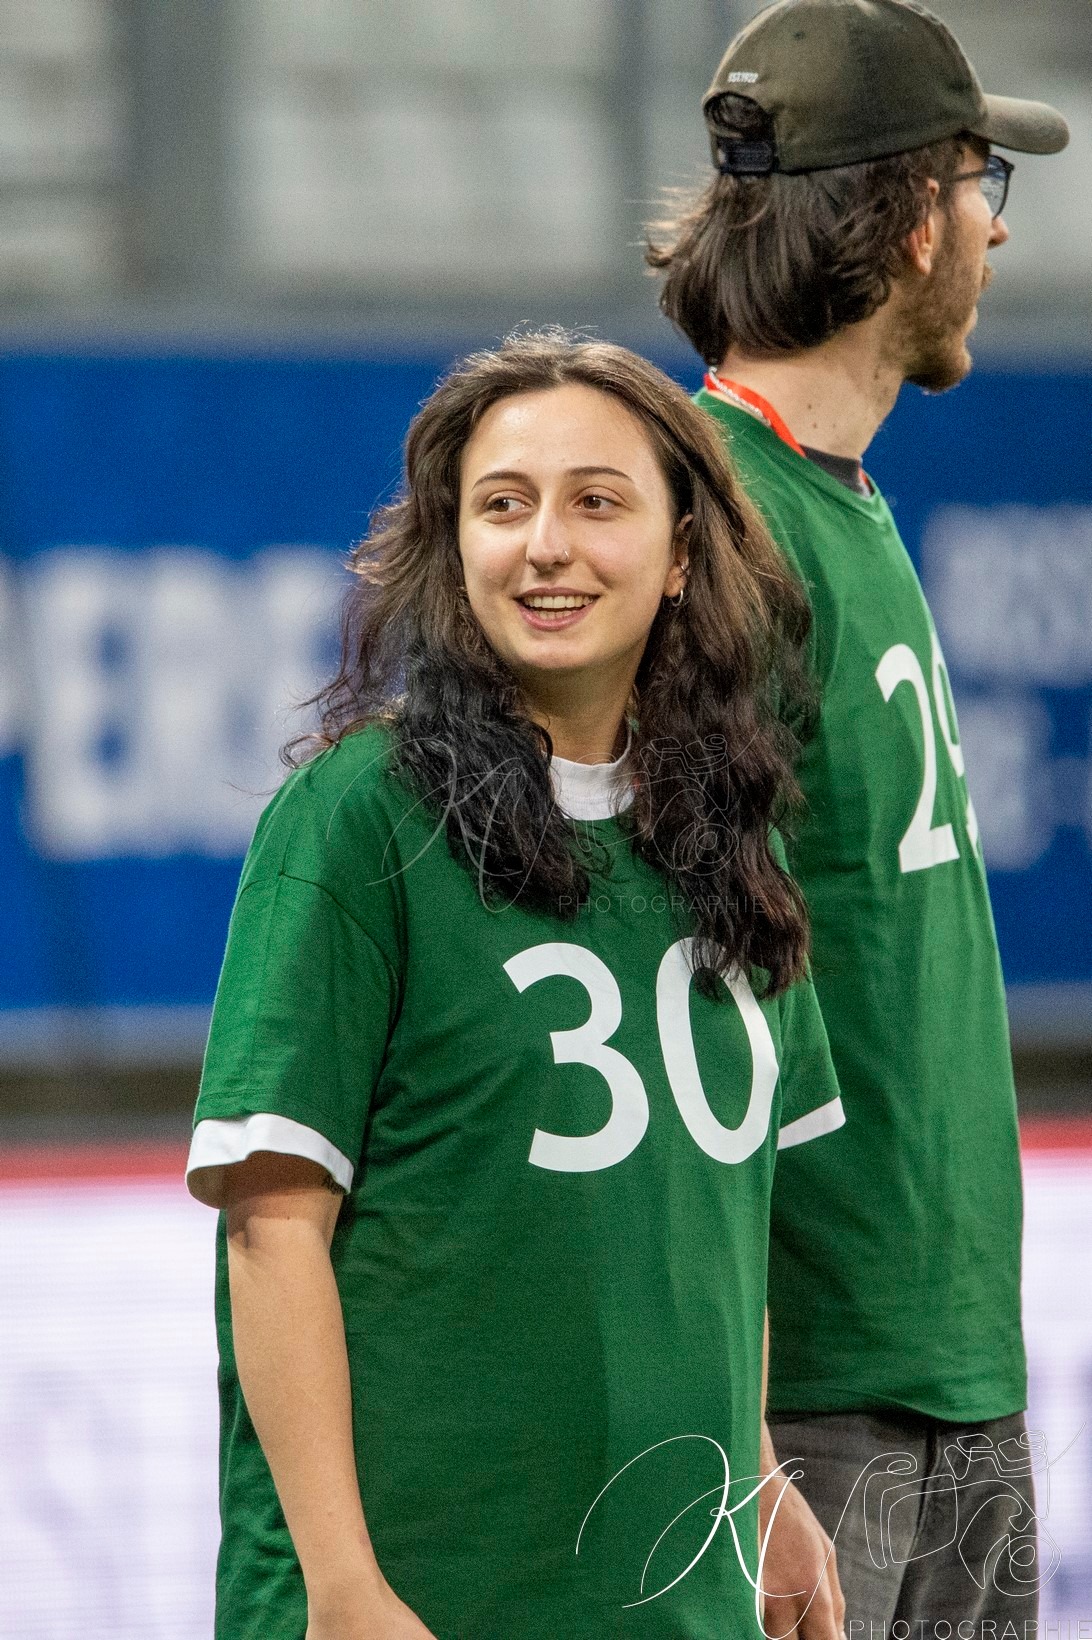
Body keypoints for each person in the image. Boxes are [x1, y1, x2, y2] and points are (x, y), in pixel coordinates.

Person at [185, 331, 847, 1640]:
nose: (545, 544)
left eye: (597, 502)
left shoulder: (733, 838)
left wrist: (760, 1481)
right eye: (503, 505)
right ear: (454, 550)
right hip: (411, 1604)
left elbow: (709, 1220)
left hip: (673, 1601)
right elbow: (271, 1228)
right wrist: (344, 1590)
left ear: (680, 557)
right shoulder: (359, 820)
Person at [647, 0, 1069, 1633]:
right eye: (980, 185)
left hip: (946, 1370)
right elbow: (676, 984)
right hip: (810, 1407)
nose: (994, 228)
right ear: (907, 222)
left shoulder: (833, 500)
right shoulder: (716, 520)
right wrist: (733, 1438)